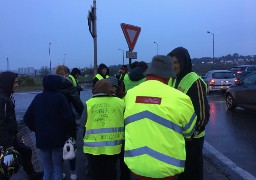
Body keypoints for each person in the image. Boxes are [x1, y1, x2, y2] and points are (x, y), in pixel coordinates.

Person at [124, 55, 197, 179]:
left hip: (136, 166)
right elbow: (189, 132)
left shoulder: (130, 95)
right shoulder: (180, 98)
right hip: (167, 170)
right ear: (168, 77)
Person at [167, 47, 210, 180]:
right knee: (183, 171)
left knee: (193, 171)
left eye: (176, 62)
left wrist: (192, 134)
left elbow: (203, 114)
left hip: (193, 138)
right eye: (172, 63)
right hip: (179, 136)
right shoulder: (173, 79)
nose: (173, 66)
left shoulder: (194, 81)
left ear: (184, 62)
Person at [24, 75, 75, 180]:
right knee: (58, 167)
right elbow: (68, 119)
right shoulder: (60, 97)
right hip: (58, 139)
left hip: (42, 139)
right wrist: (69, 133)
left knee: (47, 168)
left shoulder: (38, 98)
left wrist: (36, 129)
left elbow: (26, 118)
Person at [0, 71, 43, 180]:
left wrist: (15, 132)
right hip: (5, 139)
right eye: (15, 82)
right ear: (7, 82)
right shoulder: (2, 99)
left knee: (26, 151)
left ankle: (31, 173)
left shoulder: (6, 95)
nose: (17, 85)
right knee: (6, 164)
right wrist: (8, 144)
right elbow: (1, 124)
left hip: (11, 136)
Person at [80, 78, 125, 180]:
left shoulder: (90, 103)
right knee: (111, 172)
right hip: (114, 146)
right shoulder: (120, 103)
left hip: (93, 148)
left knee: (97, 174)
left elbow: (82, 125)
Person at [55, 65, 84, 180]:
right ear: (66, 74)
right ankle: (72, 172)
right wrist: (83, 117)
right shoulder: (68, 85)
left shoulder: (51, 86)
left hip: (56, 122)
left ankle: (60, 172)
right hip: (69, 121)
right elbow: (77, 103)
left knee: (58, 149)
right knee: (71, 147)